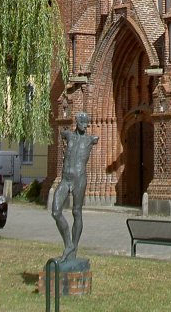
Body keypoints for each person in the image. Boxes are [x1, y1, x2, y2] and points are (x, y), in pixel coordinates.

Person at [52, 111, 99, 262]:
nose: (85, 125)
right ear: (76, 123)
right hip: (65, 178)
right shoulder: (69, 136)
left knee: (76, 212)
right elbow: (61, 128)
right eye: (82, 122)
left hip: (79, 179)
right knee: (55, 211)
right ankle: (68, 244)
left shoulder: (91, 139)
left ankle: (74, 248)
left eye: (87, 123)